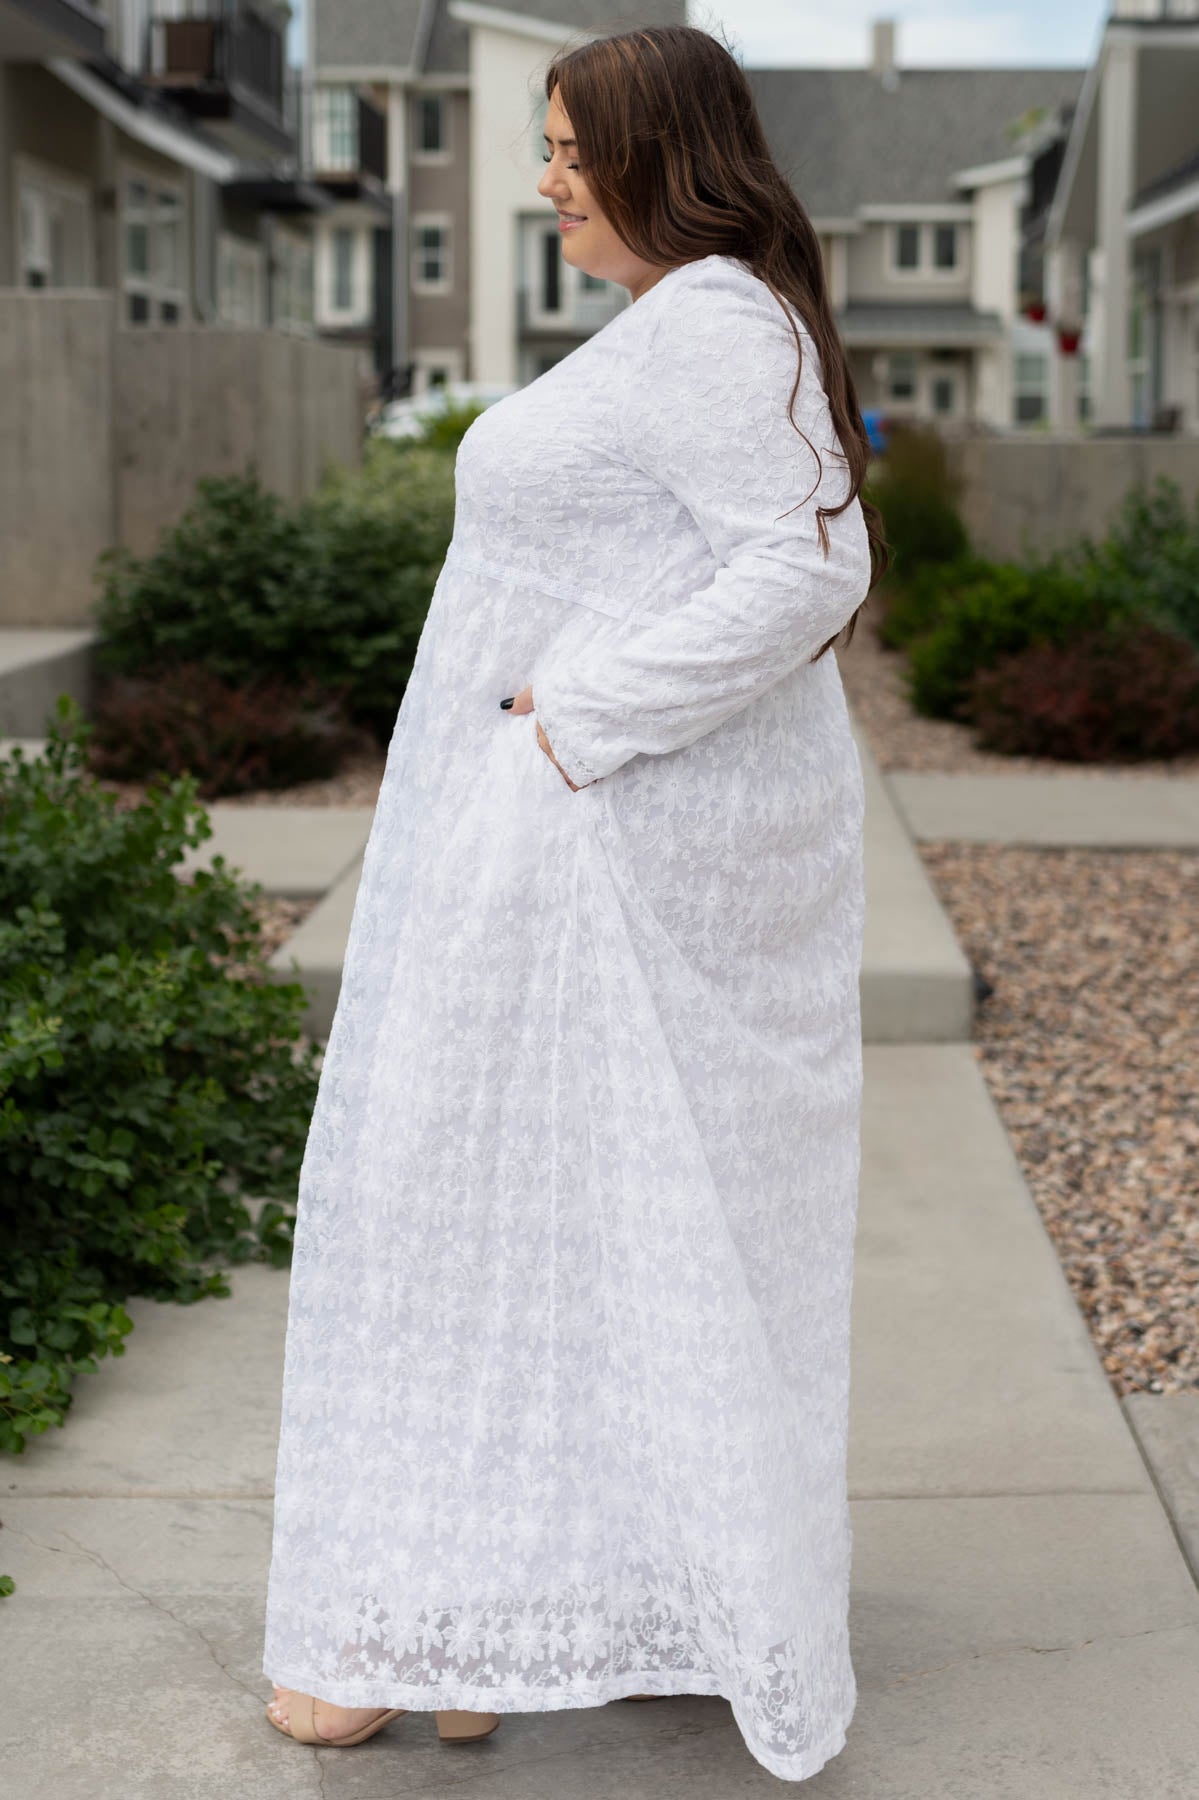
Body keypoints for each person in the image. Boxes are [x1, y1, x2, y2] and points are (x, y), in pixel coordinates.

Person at [262, 21, 888, 1784]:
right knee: (534, 1225)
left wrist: (579, 719)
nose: (544, 179)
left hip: (614, 851)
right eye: (540, 145)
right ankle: (489, 1610)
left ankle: (429, 1621)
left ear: (654, 151)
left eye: (562, 146)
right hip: (578, 836)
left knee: (457, 1213)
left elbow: (813, 560)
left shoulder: (711, 320)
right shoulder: (684, 323)